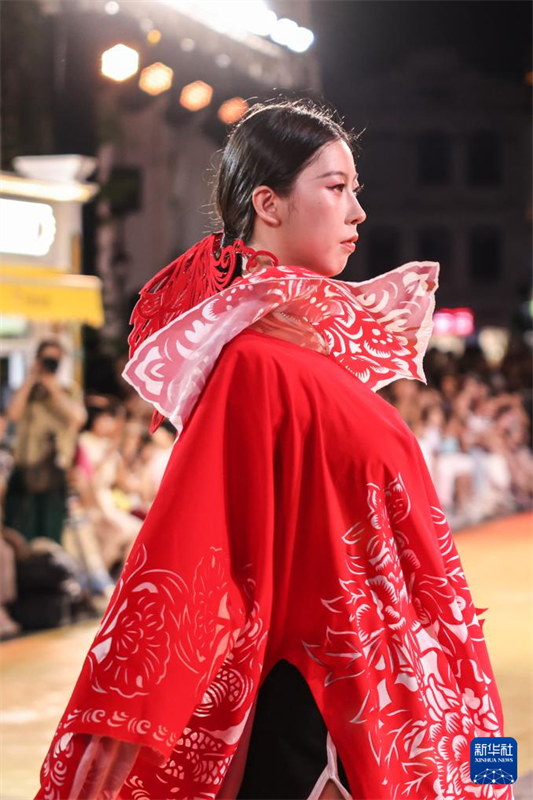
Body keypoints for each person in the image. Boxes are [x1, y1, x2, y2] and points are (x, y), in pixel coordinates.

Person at [34, 100, 512, 800]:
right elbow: (196, 552)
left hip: (380, 695)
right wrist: (125, 719)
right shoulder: (254, 366)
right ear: (269, 203)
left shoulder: (313, 362)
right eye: (335, 186)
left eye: (354, 189)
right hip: (325, 714)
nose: (359, 212)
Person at [5, 340, 87, 543]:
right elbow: (13, 414)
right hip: (23, 468)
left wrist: (52, 386)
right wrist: (32, 378)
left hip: (53, 471)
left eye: (54, 360)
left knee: (49, 534)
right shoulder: (28, 390)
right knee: (18, 533)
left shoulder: (68, 390)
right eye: (46, 359)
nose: (50, 364)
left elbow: (78, 418)